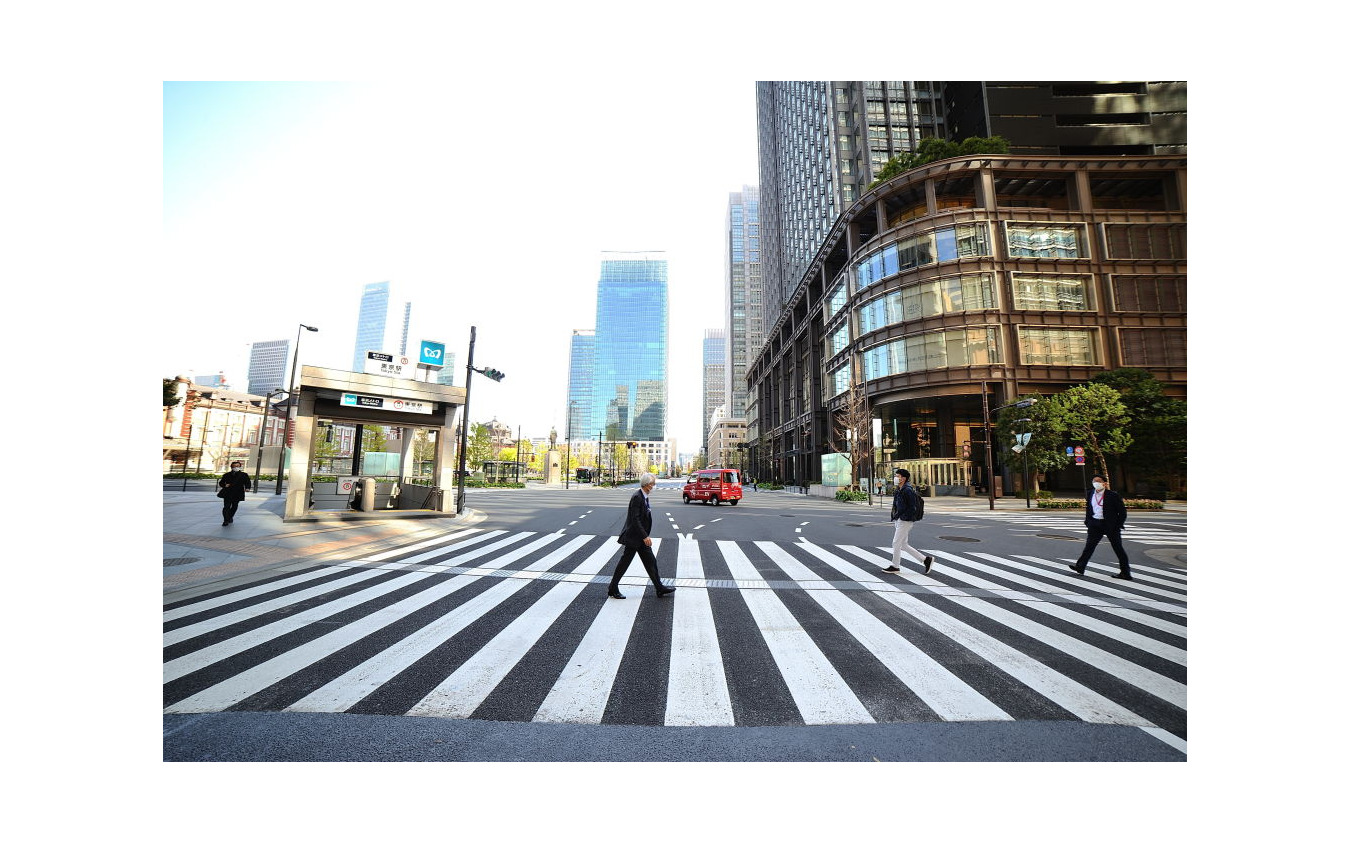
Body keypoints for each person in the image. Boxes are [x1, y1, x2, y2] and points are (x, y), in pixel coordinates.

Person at [608, 472, 676, 599]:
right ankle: (613, 587)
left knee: (651, 562)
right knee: (624, 563)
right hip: (634, 537)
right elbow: (635, 519)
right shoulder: (637, 497)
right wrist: (645, 536)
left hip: (640, 538)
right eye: (652, 484)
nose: (654, 486)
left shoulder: (644, 496)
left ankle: (659, 587)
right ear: (647, 485)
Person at [1069, 473, 1132, 580]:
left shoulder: (1113, 495)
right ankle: (1080, 566)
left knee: (1118, 549)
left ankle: (1126, 573)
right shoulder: (1090, 493)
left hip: (1110, 526)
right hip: (1094, 524)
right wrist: (1088, 522)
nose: (1096, 483)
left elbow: (1122, 512)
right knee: (1089, 547)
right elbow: (1089, 509)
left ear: (1104, 483)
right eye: (1094, 481)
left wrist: (1118, 525)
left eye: (1098, 481)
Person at [885, 468, 933, 574]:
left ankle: (895, 566)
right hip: (899, 518)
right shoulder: (899, 488)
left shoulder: (908, 490)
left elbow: (912, 507)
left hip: (905, 520)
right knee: (903, 545)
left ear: (904, 478)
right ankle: (925, 560)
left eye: (898, 476)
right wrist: (895, 516)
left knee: (896, 543)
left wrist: (904, 517)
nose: (896, 478)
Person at [217, 460, 250, 526]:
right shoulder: (226, 475)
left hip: (238, 493)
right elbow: (221, 483)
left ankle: (230, 517)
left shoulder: (244, 475)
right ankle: (226, 520)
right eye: (234, 466)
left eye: (238, 466)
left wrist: (247, 488)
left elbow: (247, 482)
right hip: (228, 493)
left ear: (240, 467)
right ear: (231, 467)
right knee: (226, 507)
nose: (236, 467)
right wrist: (224, 485)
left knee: (234, 506)